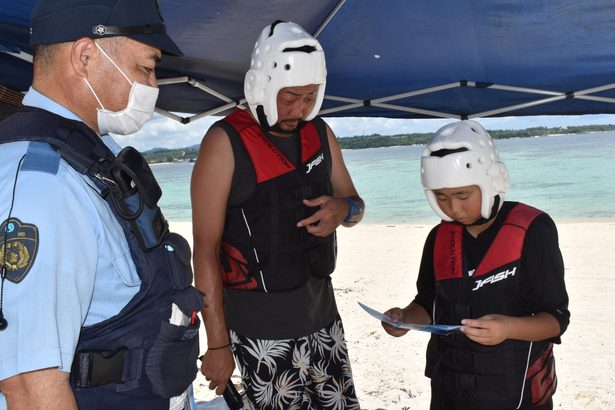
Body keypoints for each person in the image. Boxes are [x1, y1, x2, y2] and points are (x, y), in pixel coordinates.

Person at [0, 1, 203, 409]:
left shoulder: (93, 158)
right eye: (146, 68)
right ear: (85, 56)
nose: (154, 86)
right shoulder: (45, 183)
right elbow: (28, 384)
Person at [191, 20, 364, 409]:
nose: (299, 109)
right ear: (263, 85)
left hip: (323, 322)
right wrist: (217, 343)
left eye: (309, 97)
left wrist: (344, 208)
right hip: (259, 335)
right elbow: (204, 251)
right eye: (290, 97)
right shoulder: (224, 143)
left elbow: (356, 206)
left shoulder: (321, 133)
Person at [381, 120, 570, 410]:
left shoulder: (533, 229)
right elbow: (428, 302)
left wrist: (509, 328)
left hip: (515, 393)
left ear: (493, 181)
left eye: (463, 195)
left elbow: (556, 319)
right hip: (450, 391)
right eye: (441, 198)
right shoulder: (439, 237)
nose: (453, 208)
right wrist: (405, 318)